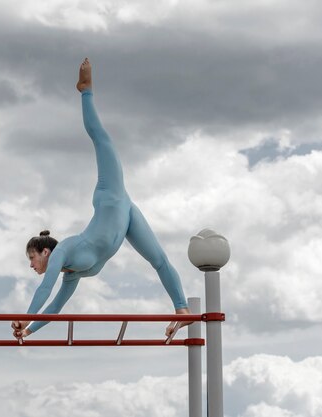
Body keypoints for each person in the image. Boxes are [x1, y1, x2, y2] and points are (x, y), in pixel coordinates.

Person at [12, 58, 192, 343]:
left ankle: (86, 91)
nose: (31, 265)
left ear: (45, 252)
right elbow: (56, 306)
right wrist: (29, 330)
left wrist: (25, 315)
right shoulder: (72, 274)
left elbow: (45, 290)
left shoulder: (63, 251)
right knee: (159, 260)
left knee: (102, 140)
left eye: (31, 258)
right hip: (127, 214)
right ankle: (181, 309)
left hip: (111, 196)